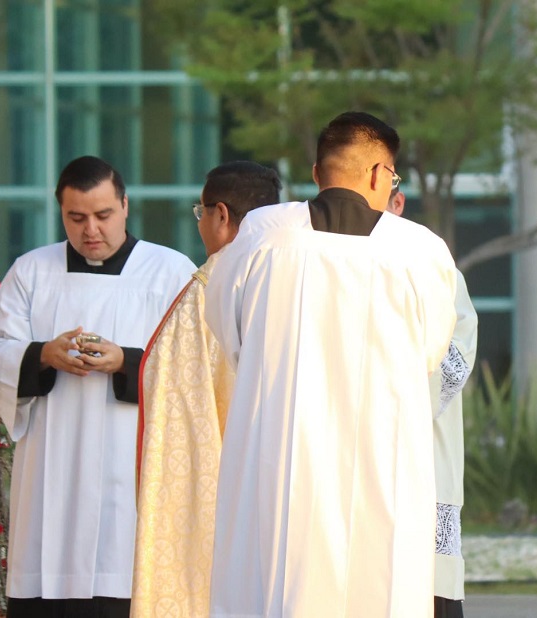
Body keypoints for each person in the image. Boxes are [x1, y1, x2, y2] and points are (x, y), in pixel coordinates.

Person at [204, 112, 458, 617]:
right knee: (379, 583)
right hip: (382, 458)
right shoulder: (420, 251)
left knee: (277, 579)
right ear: (379, 175)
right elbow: (431, 351)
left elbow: (228, 329)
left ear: (317, 172)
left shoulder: (263, 235)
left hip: (281, 454)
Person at [0, 156, 196, 617]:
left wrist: (127, 362)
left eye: (103, 215)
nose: (90, 230)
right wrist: (42, 354)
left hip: (129, 460)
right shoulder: (33, 271)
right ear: (61, 212)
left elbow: (195, 364)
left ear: (125, 205)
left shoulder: (170, 272)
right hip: (52, 462)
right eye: (76, 218)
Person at [131, 161, 282, 618]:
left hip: (234, 494)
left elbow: (182, 421)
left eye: (200, 212)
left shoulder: (208, 290)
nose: (200, 224)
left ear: (221, 215)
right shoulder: (297, 277)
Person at [388, 188, 479, 618]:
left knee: (429, 590)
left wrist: (383, 405)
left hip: (422, 454)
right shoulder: (325, 263)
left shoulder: (432, 265)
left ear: (396, 201)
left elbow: (455, 359)